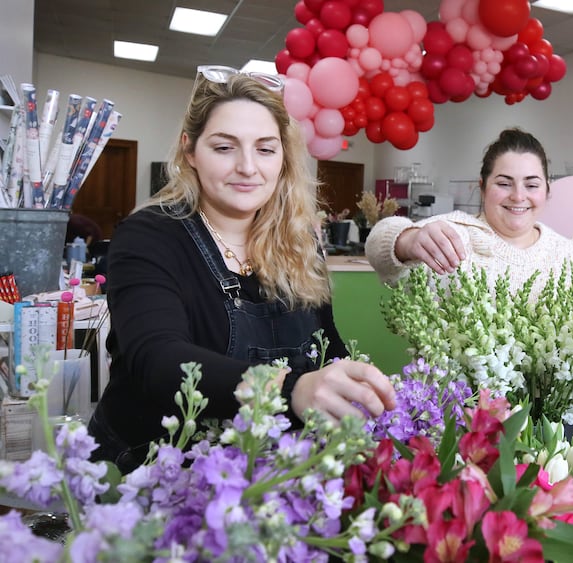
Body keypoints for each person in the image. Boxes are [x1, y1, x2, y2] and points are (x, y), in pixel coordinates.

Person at [88, 67, 395, 473]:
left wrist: (350, 389)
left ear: (283, 157)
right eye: (224, 147)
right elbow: (158, 359)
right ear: (189, 151)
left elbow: (326, 346)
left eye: (265, 149)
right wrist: (291, 389)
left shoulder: (300, 243)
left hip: (263, 473)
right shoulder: (149, 236)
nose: (248, 167)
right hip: (151, 474)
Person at [365, 127, 573, 297]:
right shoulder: (454, 235)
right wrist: (408, 240)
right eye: (504, 183)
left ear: (547, 189)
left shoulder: (572, 255)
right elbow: (378, 246)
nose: (518, 196)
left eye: (531, 185)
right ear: (482, 187)